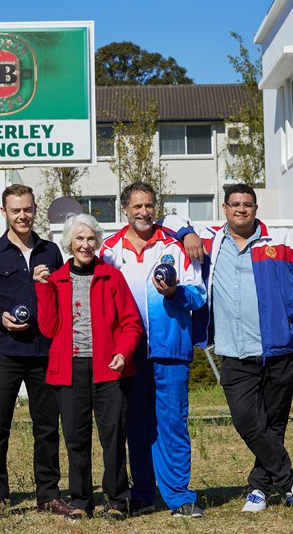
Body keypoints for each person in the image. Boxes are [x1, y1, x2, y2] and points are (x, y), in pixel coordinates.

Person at [195, 183, 293, 513]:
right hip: (234, 350)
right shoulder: (211, 241)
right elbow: (170, 222)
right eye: (234, 204)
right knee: (247, 422)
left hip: (279, 348)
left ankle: (257, 489)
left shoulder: (281, 240)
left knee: (273, 424)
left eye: (248, 204)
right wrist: (187, 233)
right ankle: (289, 482)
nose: (241, 209)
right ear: (224, 208)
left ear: (256, 209)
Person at [0, 184, 72, 518]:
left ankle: (48, 494)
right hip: (5, 353)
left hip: (43, 353)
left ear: (35, 209)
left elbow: (59, 294)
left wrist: (47, 284)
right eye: (15, 210)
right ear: (4, 213)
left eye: (28, 209)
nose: (22, 216)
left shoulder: (50, 251)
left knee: (47, 427)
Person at [99, 181, 208, 518]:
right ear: (124, 210)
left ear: (156, 207)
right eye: (137, 207)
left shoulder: (176, 245)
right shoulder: (108, 251)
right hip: (128, 353)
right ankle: (143, 494)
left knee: (172, 424)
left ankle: (179, 497)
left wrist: (175, 292)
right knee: (136, 426)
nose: (143, 212)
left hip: (170, 349)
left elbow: (199, 294)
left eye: (149, 206)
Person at [33, 213, 144, 520]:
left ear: (98, 242)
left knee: (113, 437)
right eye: (79, 239)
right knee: (76, 438)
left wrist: (123, 352)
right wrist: (42, 290)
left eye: (90, 238)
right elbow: (47, 328)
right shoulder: (55, 281)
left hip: (108, 369)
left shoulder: (112, 277)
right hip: (69, 370)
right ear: (69, 242)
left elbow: (132, 323)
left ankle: (118, 500)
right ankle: (81, 500)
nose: (84, 244)